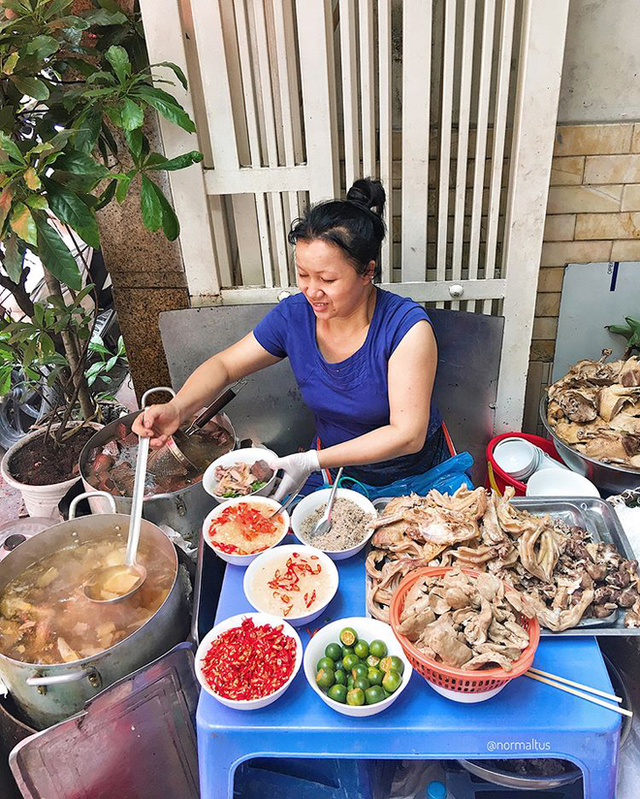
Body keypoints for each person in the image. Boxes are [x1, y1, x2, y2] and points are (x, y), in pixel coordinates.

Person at [132, 178, 446, 499]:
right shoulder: (295, 316)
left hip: (412, 479)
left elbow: (408, 435)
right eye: (303, 274)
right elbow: (225, 366)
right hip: (329, 471)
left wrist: (311, 460)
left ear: (367, 272)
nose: (311, 290)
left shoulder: (406, 329)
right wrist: (177, 408)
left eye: (328, 279)